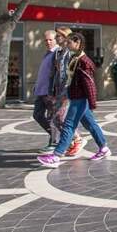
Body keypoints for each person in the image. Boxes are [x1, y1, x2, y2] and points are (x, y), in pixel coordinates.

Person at [37, 32, 111, 168]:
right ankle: (104, 148)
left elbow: (89, 84)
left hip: (80, 99)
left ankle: (56, 156)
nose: (67, 43)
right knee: (90, 124)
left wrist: (92, 102)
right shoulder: (75, 57)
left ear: (77, 43)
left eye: (70, 42)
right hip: (75, 96)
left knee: (68, 125)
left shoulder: (84, 61)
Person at [47, 26, 84, 157]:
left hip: (67, 91)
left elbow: (73, 73)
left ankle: (76, 139)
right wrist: (52, 91)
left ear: (65, 37)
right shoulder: (60, 53)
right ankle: (73, 141)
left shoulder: (70, 53)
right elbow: (57, 73)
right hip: (59, 90)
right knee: (56, 119)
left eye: (58, 36)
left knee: (59, 118)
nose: (56, 38)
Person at [32, 30, 59, 150]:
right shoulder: (48, 53)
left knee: (53, 118)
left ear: (56, 40)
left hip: (50, 92)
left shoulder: (57, 53)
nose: (48, 42)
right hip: (40, 90)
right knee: (37, 115)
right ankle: (59, 137)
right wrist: (37, 85)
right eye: (46, 40)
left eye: (50, 40)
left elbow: (59, 74)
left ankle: (55, 142)